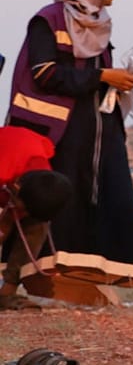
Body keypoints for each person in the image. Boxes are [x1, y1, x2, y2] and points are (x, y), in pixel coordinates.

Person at [5, 0, 133, 290]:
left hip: (96, 131)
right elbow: (44, 74)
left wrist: (118, 81)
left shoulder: (99, 24)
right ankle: (36, 281)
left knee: (106, 197)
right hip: (56, 134)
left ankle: (91, 279)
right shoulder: (49, 19)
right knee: (58, 205)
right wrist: (103, 77)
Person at [0, 126, 71, 307]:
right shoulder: (4, 170)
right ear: (16, 189)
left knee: (37, 225)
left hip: (20, 159)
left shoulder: (41, 176)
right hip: (8, 158)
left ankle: (7, 291)